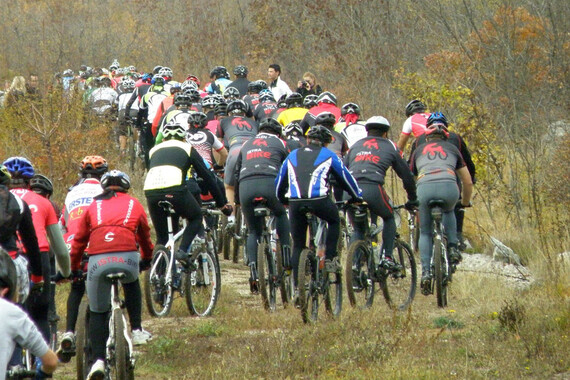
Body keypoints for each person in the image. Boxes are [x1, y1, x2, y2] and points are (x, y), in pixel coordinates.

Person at [70, 170, 154, 379]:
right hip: (127, 258)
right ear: (126, 187)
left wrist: (74, 268)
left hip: (98, 261)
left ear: (104, 187)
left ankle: (98, 361)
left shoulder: (92, 205)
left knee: (98, 311)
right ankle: (136, 330)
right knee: (132, 281)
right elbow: (144, 235)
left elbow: (79, 241)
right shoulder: (134, 203)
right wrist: (147, 258)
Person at [275, 125, 362, 294]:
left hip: (295, 202)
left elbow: (280, 182)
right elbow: (345, 177)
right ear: (326, 143)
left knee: (298, 245)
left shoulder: (292, 155)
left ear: (307, 140)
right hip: (319, 200)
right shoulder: (328, 155)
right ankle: (330, 258)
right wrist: (357, 196)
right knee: (334, 220)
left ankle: (297, 288)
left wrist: (282, 199)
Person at [144, 122, 232, 268]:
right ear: (184, 138)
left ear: (164, 139)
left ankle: (160, 280)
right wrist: (222, 203)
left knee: (163, 238)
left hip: (151, 191)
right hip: (175, 189)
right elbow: (208, 177)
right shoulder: (187, 148)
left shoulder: (153, 150)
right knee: (196, 217)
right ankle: (183, 251)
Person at [4, 157, 70, 344]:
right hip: (38, 257)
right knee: (40, 315)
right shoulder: (42, 202)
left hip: (7, 257)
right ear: (30, 180)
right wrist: (65, 272)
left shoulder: (5, 201)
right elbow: (60, 248)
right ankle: (42, 365)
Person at [409, 112, 473, 295]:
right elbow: (467, 181)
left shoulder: (418, 149)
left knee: (426, 232)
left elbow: (411, 176)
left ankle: (426, 273)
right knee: (450, 209)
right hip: (449, 187)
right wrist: (465, 202)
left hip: (424, 188)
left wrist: (414, 199)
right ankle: (452, 246)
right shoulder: (454, 149)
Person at [344, 116, 418, 273]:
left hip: (350, 190)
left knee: (358, 230)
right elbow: (406, 176)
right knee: (389, 217)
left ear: (367, 131)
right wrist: (412, 199)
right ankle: (387, 257)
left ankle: (355, 268)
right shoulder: (390, 146)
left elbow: (341, 170)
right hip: (373, 188)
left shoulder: (356, 146)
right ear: (385, 133)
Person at [57, 156, 108, 361]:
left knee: (76, 287)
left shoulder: (72, 193)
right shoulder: (105, 191)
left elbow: (62, 224)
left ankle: (69, 332)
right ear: (103, 174)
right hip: (96, 242)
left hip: (71, 244)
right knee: (103, 288)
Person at [234, 118, 291, 293]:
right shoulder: (280, 143)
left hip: (246, 187)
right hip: (269, 183)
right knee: (280, 214)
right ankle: (287, 261)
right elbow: (289, 168)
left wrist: (238, 201)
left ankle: (253, 274)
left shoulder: (246, 144)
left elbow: (236, 174)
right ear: (277, 132)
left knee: (253, 231)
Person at [0, 249, 58, 379]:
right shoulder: (11, 313)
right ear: (6, 290)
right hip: (34, 261)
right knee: (40, 315)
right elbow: (51, 362)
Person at [0, 165, 40, 306]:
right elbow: (31, 241)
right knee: (16, 310)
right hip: (11, 261)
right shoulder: (18, 202)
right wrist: (37, 275)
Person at [218, 100, 259, 220]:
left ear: (228, 113)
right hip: (253, 150)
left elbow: (218, 145)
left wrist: (219, 164)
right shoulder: (254, 123)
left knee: (229, 186)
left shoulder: (223, 121)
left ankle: (230, 219)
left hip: (235, 150)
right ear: (245, 113)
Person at [137, 74, 169, 168]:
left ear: (152, 84)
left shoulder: (147, 95)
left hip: (151, 123)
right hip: (164, 123)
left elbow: (141, 111)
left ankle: (149, 168)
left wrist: (138, 124)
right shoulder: (168, 95)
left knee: (148, 147)